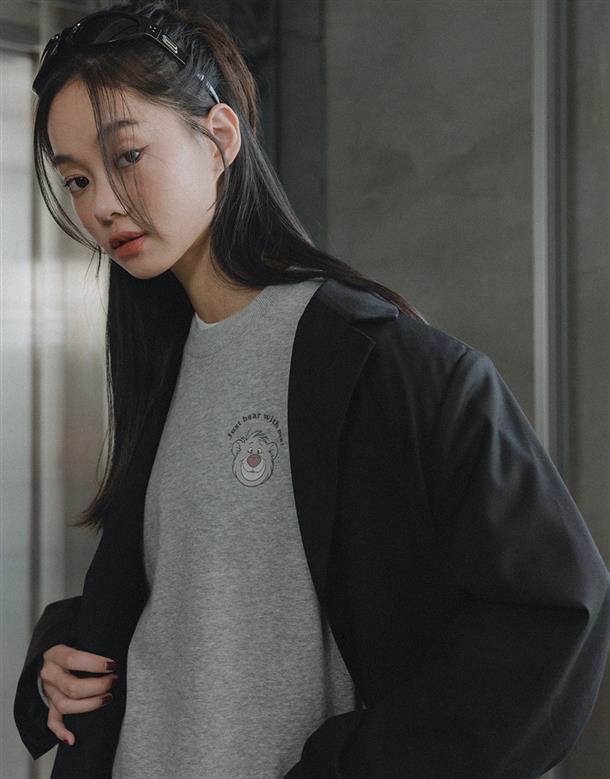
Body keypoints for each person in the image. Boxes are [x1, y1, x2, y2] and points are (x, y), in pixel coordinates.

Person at [13, 1, 610, 778]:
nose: (100, 204)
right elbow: (196, 593)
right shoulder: (163, 363)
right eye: (77, 179)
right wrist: (63, 652)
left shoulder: (383, 362)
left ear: (219, 138)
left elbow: (553, 614)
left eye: (126, 155)